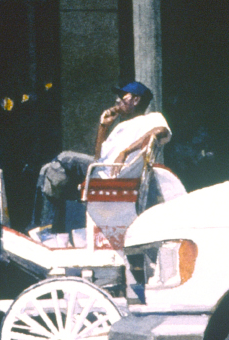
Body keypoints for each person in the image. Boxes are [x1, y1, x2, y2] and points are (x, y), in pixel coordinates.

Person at [33, 81, 171, 232]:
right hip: (101, 169)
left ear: (136, 100)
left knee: (64, 159)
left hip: (118, 173)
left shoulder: (151, 118)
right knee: (48, 170)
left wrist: (126, 151)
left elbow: (161, 130)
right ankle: (49, 228)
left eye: (122, 96)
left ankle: (46, 229)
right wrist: (103, 127)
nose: (117, 100)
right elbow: (99, 157)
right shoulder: (120, 126)